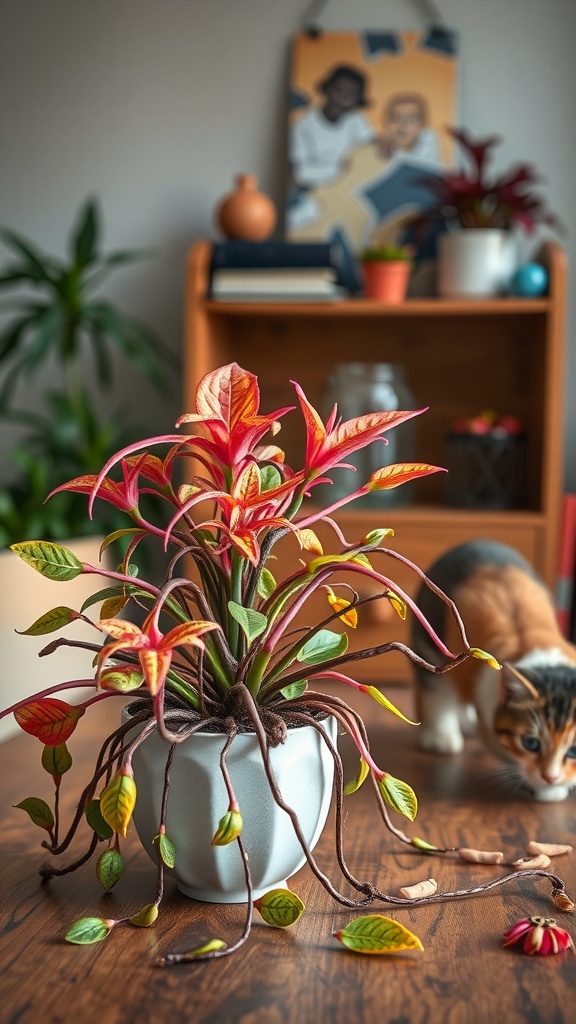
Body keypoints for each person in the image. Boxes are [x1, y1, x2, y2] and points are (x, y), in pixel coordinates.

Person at [290, 64, 375, 191]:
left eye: (351, 95)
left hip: (352, 185)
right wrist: (340, 169)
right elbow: (299, 173)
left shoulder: (355, 119)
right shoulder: (303, 126)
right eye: (338, 90)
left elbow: (370, 146)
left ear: (357, 102)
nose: (342, 99)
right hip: (317, 189)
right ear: (327, 89)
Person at [378, 92, 440, 163]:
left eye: (411, 120)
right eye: (396, 118)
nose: (403, 125)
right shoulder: (375, 147)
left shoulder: (428, 139)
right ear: (386, 122)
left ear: (422, 124)